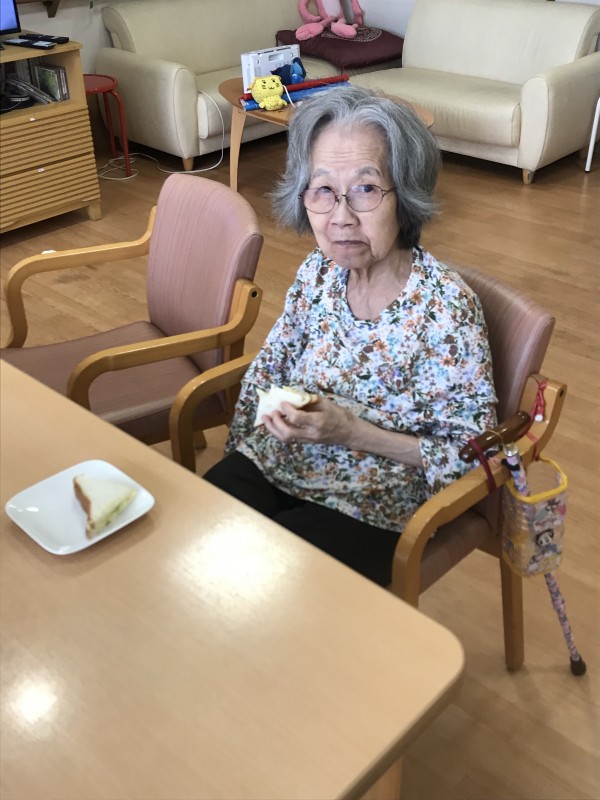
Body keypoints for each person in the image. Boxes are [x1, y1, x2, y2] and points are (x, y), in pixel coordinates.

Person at [204, 85, 497, 586]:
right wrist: (253, 436)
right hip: (283, 457)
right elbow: (269, 370)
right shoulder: (317, 272)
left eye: (365, 189)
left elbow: (473, 457)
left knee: (272, 587)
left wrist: (352, 432)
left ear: (406, 196)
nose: (340, 217)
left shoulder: (446, 309)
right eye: (322, 189)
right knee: (199, 535)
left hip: (379, 498)